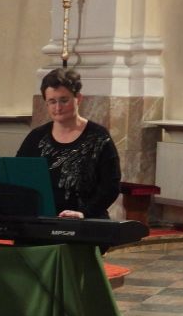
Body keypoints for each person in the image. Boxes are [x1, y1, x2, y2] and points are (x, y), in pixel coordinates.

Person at [17, 68, 121, 220]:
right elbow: (19, 176)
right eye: (52, 101)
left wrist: (84, 213)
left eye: (64, 100)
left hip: (87, 220)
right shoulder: (36, 137)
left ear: (78, 98)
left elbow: (111, 186)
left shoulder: (98, 137)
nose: (58, 108)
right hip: (43, 219)